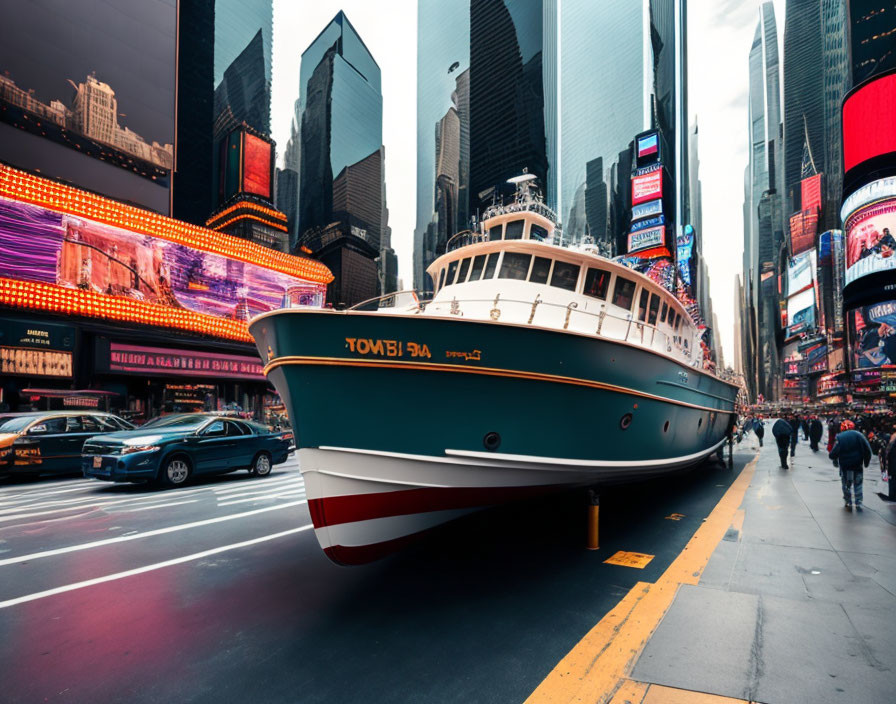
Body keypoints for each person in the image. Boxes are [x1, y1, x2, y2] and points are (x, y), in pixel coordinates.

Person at [829, 419, 872, 511]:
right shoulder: (859, 435)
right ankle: (858, 501)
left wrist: (834, 460)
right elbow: (867, 450)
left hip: (845, 465)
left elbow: (834, 452)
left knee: (846, 483)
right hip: (857, 464)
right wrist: (866, 462)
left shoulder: (839, 437)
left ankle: (848, 501)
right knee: (858, 483)